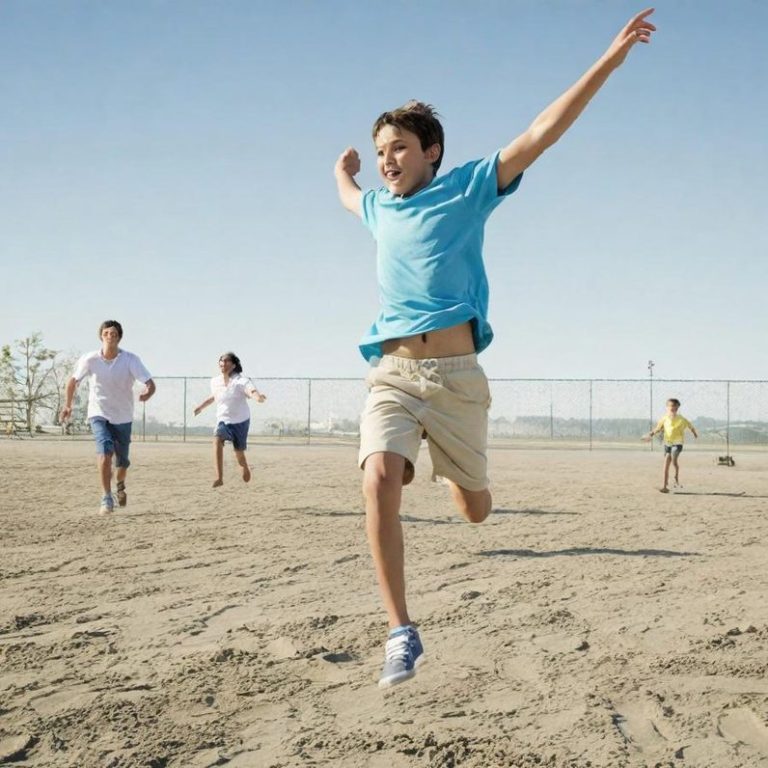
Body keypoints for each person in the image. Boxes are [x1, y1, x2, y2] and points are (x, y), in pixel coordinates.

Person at [334, 9, 656, 687]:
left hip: (456, 380)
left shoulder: (469, 187)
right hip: (391, 372)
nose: (388, 159)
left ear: (431, 154)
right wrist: (344, 171)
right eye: (382, 148)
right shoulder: (377, 208)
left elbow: (543, 132)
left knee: (476, 510)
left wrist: (610, 59)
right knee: (376, 480)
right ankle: (401, 631)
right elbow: (347, 195)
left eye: (399, 147)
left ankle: (459, 473)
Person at [61, 320, 155, 514]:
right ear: (101, 336)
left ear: (119, 337)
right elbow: (72, 382)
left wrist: (147, 392)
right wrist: (68, 405)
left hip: (123, 416)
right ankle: (106, 497)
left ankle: (120, 483)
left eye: (114, 333)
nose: (110, 336)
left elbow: (150, 382)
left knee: (121, 462)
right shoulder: (90, 359)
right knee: (104, 452)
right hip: (98, 413)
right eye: (106, 333)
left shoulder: (130, 359)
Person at [193, 352, 266, 488]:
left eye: (226, 361)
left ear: (233, 365)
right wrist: (200, 407)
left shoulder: (241, 381)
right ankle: (219, 477)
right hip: (223, 420)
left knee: (239, 454)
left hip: (241, 421)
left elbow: (251, 391)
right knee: (217, 438)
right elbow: (213, 397)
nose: (223, 363)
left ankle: (244, 466)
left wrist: (258, 397)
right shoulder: (215, 381)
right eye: (221, 361)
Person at [645, 398, 698, 492]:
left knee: (674, 460)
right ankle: (664, 486)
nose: (673, 408)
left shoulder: (681, 419)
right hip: (667, 444)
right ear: (667, 407)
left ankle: (676, 476)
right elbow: (658, 428)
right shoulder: (664, 418)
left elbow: (690, 426)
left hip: (678, 444)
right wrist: (651, 434)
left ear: (678, 407)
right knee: (665, 465)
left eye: (675, 406)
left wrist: (694, 433)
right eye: (671, 406)